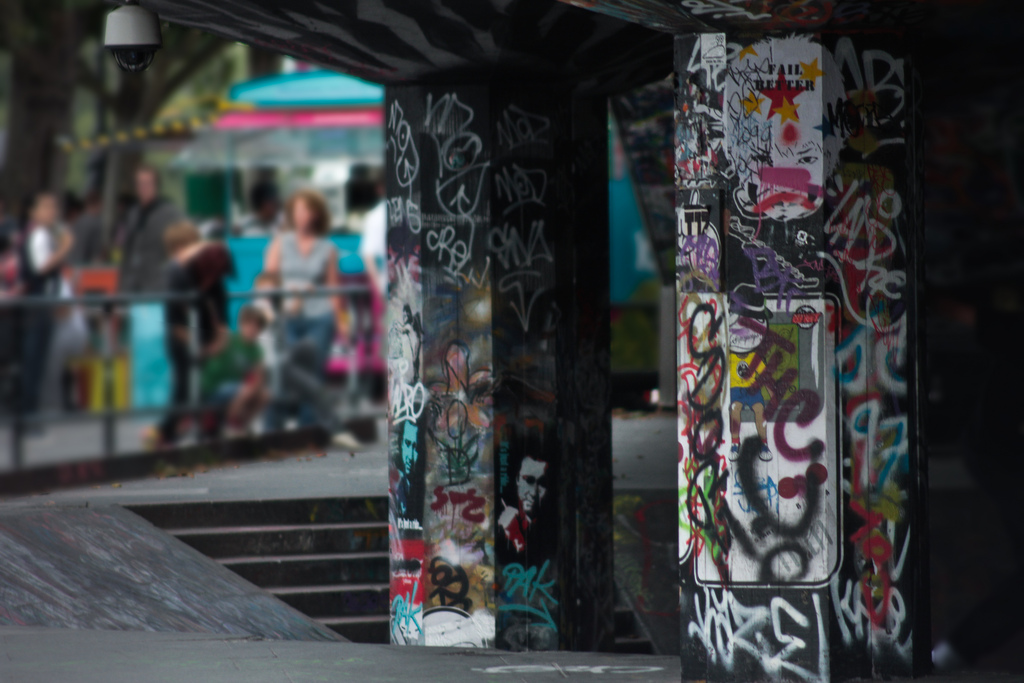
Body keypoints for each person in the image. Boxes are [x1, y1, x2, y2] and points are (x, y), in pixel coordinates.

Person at [144, 221, 232, 448]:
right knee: (183, 386)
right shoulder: (174, 275)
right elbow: (175, 323)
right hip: (182, 336)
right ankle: (166, 433)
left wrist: (219, 340)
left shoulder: (210, 269)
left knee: (213, 382)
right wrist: (198, 346)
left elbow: (221, 311)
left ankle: (208, 429)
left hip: (205, 334)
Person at [262, 188, 342, 427]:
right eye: (297, 210)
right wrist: (268, 311)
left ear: (316, 214)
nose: (301, 215)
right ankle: (276, 423)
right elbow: (268, 280)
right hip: (288, 314)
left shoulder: (327, 248)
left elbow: (333, 288)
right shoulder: (280, 243)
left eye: (306, 210)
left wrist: (340, 322)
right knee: (285, 367)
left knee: (314, 366)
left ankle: (309, 425)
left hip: (319, 314)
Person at [18, 192, 74, 426]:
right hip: (37, 305)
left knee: (39, 359)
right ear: (33, 212)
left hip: (45, 304)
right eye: (46, 207)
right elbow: (41, 267)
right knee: (33, 359)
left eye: (54, 207)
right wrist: (65, 248)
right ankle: (27, 413)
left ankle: (32, 411)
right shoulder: (37, 236)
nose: (52, 212)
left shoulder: (45, 235)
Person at [199, 305, 268, 437]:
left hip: (233, 388)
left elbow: (259, 376)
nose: (252, 330)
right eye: (249, 325)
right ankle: (231, 425)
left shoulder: (256, 350)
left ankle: (239, 425)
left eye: (257, 327)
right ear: (241, 324)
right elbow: (207, 352)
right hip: (213, 386)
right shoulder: (229, 338)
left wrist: (255, 386)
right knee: (247, 390)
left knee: (264, 395)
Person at [119, 165, 183, 293]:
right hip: (132, 285)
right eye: (140, 183)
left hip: (158, 284)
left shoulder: (170, 213)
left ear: (156, 185)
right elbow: (127, 251)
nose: (143, 188)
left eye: (147, 183)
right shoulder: (133, 213)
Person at [68, 191, 104, 266]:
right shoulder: (96, 223)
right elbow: (96, 251)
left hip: (70, 263)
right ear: (98, 205)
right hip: (85, 266)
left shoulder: (78, 220)